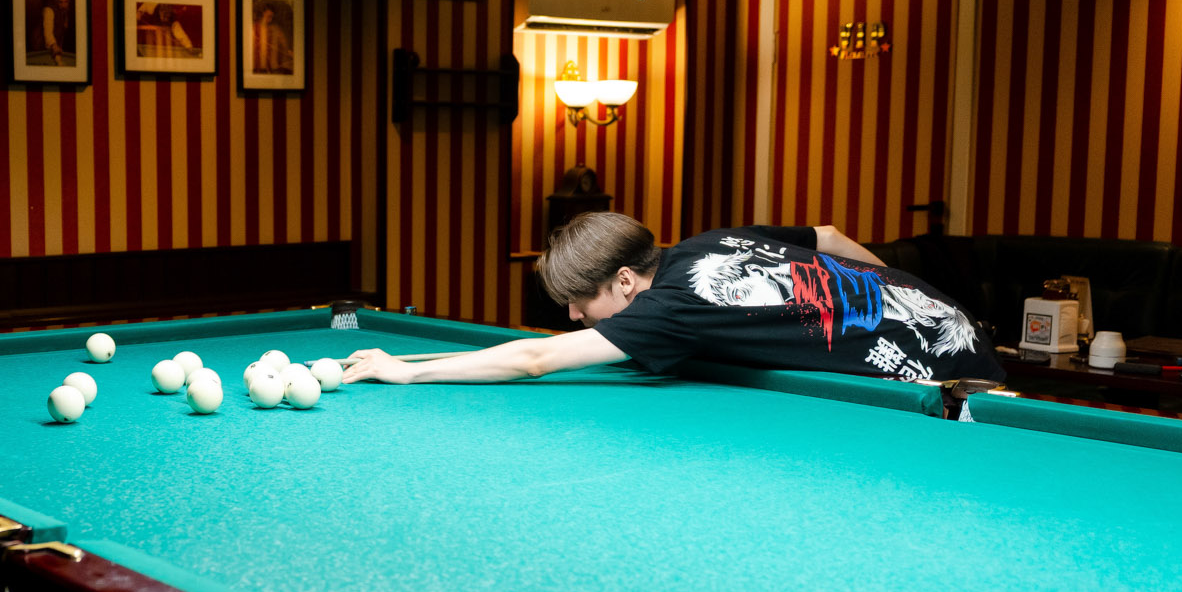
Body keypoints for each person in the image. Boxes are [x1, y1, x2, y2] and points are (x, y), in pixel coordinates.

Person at [342, 214, 1005, 388]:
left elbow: (536, 360)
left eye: (580, 301)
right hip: (943, 309)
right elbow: (828, 236)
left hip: (947, 369)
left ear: (625, 281)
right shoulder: (703, 243)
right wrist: (893, 290)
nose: (573, 317)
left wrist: (407, 370)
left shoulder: (668, 307)